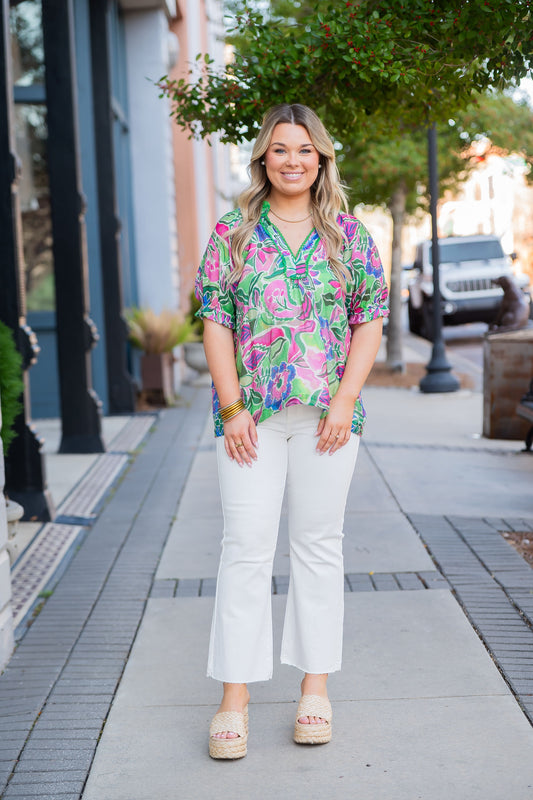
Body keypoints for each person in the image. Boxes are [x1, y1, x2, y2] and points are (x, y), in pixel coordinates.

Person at [194, 103, 389, 760]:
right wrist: (229, 408)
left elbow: (368, 320)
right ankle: (235, 700)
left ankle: (314, 691)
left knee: (317, 548)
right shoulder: (232, 233)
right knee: (244, 548)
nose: (292, 160)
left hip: (328, 421)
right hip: (250, 419)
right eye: (280, 149)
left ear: (321, 158)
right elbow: (215, 320)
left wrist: (345, 401)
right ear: (263, 158)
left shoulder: (348, 236)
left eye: (304, 150)